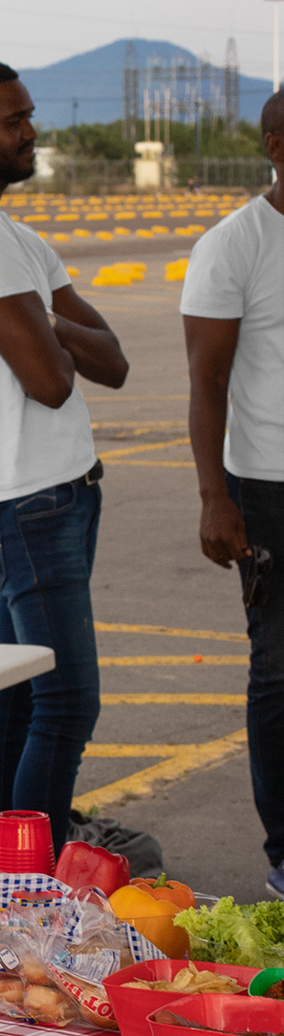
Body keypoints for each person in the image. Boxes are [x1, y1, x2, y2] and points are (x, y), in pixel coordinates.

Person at [0, 59, 130, 862]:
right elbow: (49, 382)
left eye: (30, 114)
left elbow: (111, 361)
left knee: (12, 702)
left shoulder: (15, 239)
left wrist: (39, 316)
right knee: (68, 701)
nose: (31, 130)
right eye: (14, 120)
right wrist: (48, 333)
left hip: (59, 495)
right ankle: (30, 880)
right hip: (27, 501)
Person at [181, 91, 284, 898]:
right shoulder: (234, 245)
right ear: (275, 144)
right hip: (270, 488)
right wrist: (215, 495)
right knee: (280, 672)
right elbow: (206, 381)